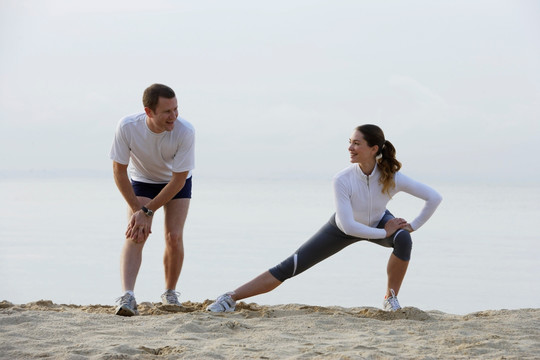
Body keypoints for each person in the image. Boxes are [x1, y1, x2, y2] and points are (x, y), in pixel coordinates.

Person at [207, 124, 442, 312]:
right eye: (349, 143)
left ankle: (390, 299)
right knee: (291, 266)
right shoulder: (342, 179)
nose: (350, 148)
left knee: (404, 240)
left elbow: (434, 198)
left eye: (356, 143)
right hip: (342, 229)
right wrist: (384, 232)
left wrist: (411, 226)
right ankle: (230, 297)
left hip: (379, 223)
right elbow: (348, 225)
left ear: (374, 148)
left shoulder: (392, 177)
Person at [109, 83, 195, 316]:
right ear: (149, 112)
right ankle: (128, 297)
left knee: (174, 237)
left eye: (176, 109)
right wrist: (139, 212)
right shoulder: (127, 127)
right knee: (136, 233)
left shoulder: (185, 131)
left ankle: (170, 293)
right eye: (167, 111)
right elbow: (119, 172)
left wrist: (147, 212)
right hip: (142, 180)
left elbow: (178, 181)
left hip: (176, 181)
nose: (174, 116)